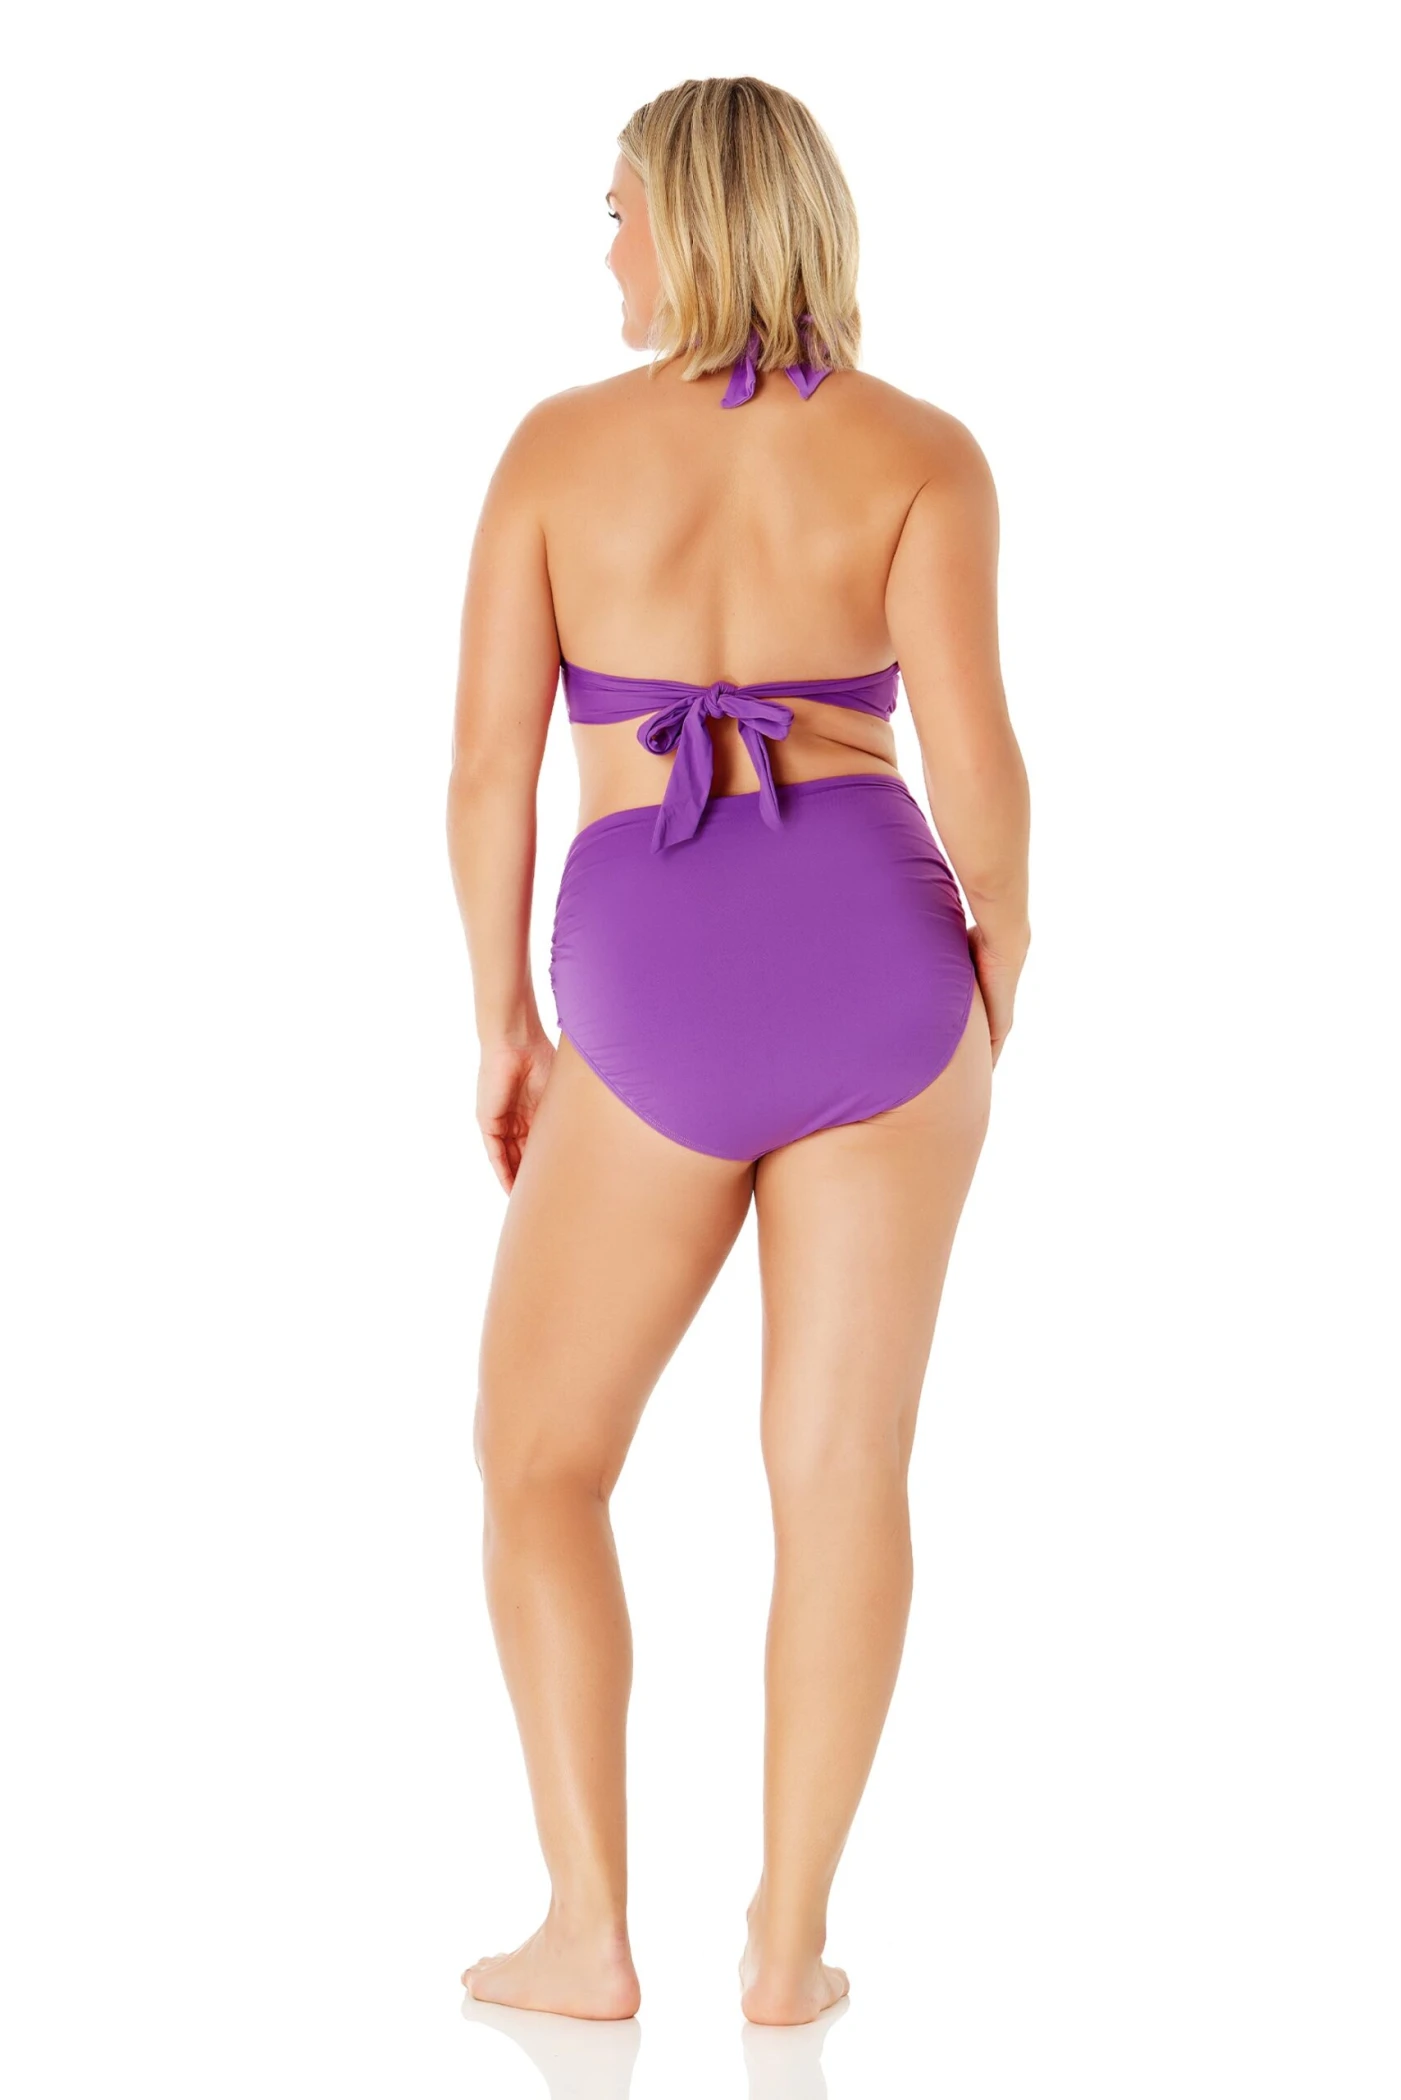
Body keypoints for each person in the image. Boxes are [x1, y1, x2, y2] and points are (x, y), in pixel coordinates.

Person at [447, 75, 1031, 2028]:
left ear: (693, 217)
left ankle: (588, 1933)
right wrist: (993, 976)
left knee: (539, 1458)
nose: (607, 245)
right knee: (842, 1471)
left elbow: (486, 776)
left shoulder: (556, 452)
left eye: (619, 207)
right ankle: (786, 1951)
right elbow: (983, 769)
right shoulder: (923, 454)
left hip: (652, 979)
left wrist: (504, 1024)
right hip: (883, 962)